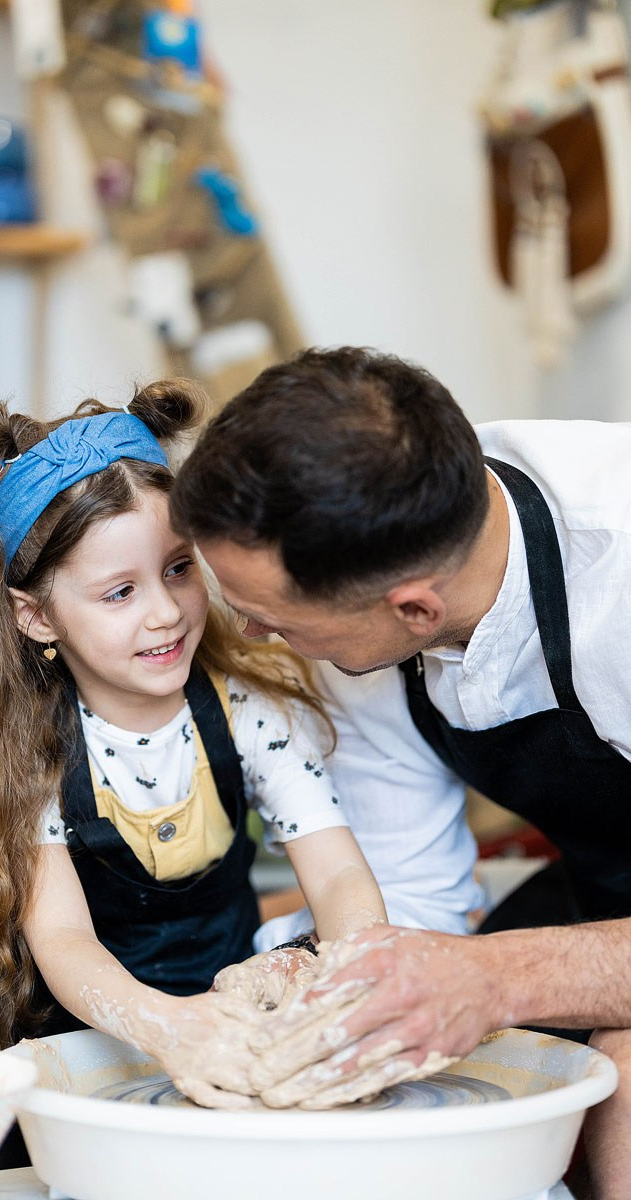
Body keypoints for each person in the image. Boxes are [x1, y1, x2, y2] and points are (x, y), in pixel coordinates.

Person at [169, 346, 631, 1195]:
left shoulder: (621, 576)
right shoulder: (380, 578)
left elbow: (475, 973)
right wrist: (310, 981)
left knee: (624, 1080)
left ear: (414, 607)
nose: (250, 636)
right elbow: (410, 901)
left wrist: (497, 979)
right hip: (605, 891)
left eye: (270, 621)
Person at [0, 382, 390, 1114]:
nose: (165, 612)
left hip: (233, 1021)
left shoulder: (250, 714)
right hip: (94, 1045)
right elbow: (64, 940)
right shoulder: (26, 752)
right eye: (119, 593)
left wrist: (354, 991)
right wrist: (171, 1029)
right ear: (35, 617)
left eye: (179, 569)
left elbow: (343, 877)